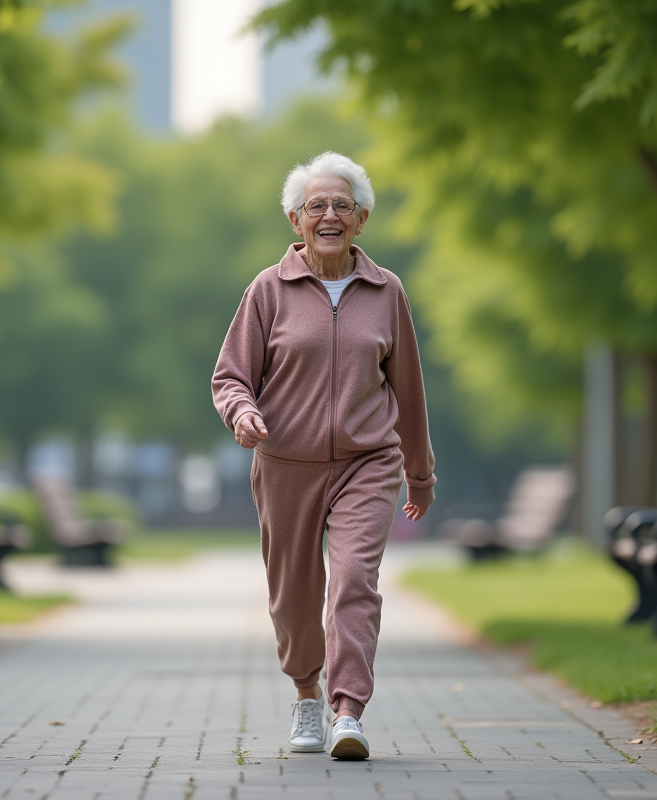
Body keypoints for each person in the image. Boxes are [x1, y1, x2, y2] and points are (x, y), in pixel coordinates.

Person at [212, 151, 436, 761]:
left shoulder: (386, 291)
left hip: (369, 461)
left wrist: (419, 474)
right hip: (285, 463)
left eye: (342, 205)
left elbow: (409, 389)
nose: (330, 215)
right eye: (317, 206)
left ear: (362, 219)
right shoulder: (268, 289)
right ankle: (307, 695)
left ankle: (347, 711)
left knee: (355, 581)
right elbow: (230, 376)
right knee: (294, 594)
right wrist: (243, 412)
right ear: (295, 220)